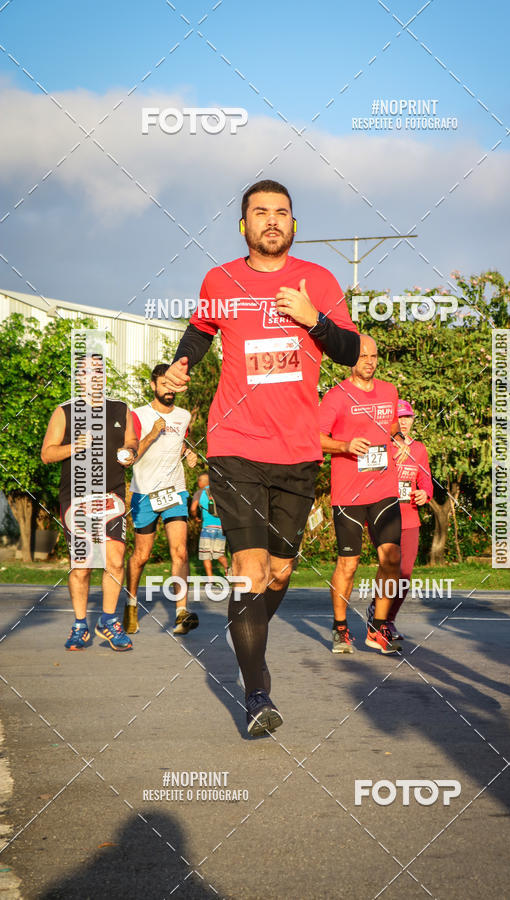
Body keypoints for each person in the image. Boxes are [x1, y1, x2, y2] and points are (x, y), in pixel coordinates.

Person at [163, 179, 360, 735]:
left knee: (279, 573)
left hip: (297, 450)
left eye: (282, 213)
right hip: (236, 443)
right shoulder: (219, 279)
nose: (271, 220)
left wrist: (311, 319)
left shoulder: (318, 281)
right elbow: (199, 333)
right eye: (259, 212)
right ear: (243, 225)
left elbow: (348, 350)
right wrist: (182, 365)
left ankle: (249, 636)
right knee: (249, 572)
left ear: (294, 225)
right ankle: (257, 693)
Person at [41, 355, 138, 651]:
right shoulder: (65, 412)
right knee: (82, 566)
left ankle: (108, 621)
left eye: (98, 371)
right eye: (86, 372)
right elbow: (47, 453)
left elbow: (132, 442)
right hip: (77, 497)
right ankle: (80, 625)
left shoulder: (122, 409)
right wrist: (75, 446)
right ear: (78, 378)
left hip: (112, 495)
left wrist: (130, 452)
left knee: (116, 559)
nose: (93, 376)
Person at [319, 334, 403, 655]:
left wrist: (398, 439)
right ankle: (341, 627)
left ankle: (378, 627)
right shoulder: (336, 397)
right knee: (349, 564)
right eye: (363, 356)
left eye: (374, 356)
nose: (369, 361)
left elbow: (391, 424)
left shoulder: (389, 391)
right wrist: (344, 446)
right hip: (349, 495)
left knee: (391, 557)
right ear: (351, 359)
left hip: (384, 488)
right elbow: (316, 438)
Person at [123, 364, 198, 635]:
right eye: (164, 384)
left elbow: (180, 444)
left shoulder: (184, 416)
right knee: (141, 556)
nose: (169, 389)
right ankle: (130, 604)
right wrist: (152, 433)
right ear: (153, 386)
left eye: (173, 384)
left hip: (174, 491)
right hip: (145, 493)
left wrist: (188, 455)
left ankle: (181, 612)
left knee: (179, 552)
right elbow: (130, 456)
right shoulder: (138, 416)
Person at [366, 399, 433, 638]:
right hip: (383, 517)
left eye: (408, 418)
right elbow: (368, 480)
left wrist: (425, 493)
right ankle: (379, 616)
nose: (404, 422)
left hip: (410, 519)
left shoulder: (419, 449)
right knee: (389, 567)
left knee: (404, 574)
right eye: (399, 418)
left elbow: (425, 481)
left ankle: (388, 618)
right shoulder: (380, 447)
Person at [190, 476, 228, 578]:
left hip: (207, 527)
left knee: (206, 555)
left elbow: (193, 508)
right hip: (221, 527)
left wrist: (196, 517)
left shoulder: (199, 493)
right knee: (219, 553)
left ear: (201, 482)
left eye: (198, 480)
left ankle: (210, 580)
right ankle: (227, 570)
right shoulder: (218, 492)